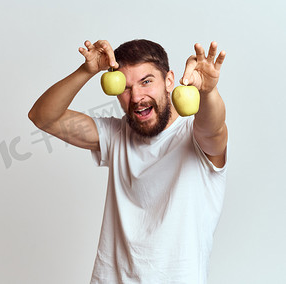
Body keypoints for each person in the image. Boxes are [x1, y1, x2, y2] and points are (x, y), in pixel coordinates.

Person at [28, 38, 228, 284]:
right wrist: (87, 70)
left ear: (169, 81)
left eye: (146, 82)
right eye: (125, 86)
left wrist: (208, 92)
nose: (136, 97)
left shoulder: (194, 137)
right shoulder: (117, 135)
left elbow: (214, 130)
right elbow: (43, 117)